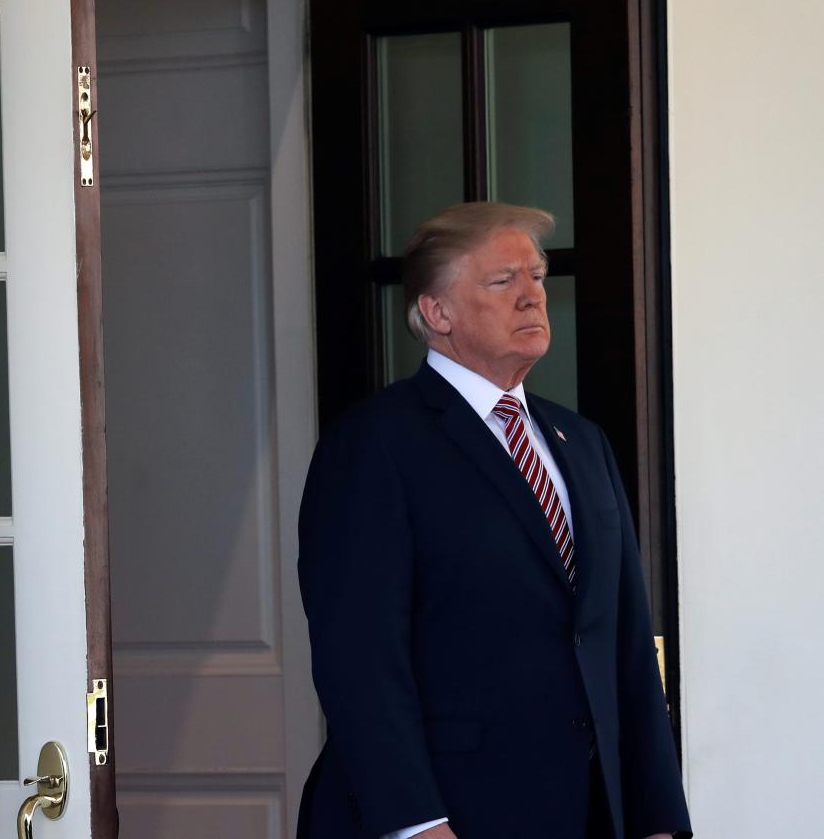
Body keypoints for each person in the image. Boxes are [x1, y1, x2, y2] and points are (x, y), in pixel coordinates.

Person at [295, 202, 692, 839]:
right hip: (449, 815)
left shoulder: (580, 440)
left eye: (536, 277)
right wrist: (417, 825)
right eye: (502, 281)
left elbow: (624, 645)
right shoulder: (375, 444)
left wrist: (658, 818)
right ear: (437, 312)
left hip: (591, 814)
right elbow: (359, 660)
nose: (533, 296)